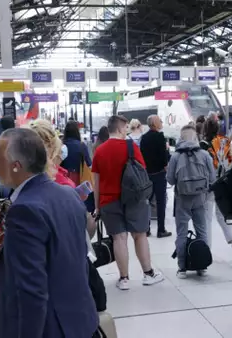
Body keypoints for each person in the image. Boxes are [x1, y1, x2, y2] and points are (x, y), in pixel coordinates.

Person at [0, 128, 98, 337]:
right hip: (80, 322)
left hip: (50, 328)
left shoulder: (23, 211)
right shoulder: (69, 194)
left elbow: (32, 292)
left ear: (16, 166)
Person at [92, 115, 164, 290]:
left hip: (109, 200)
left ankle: (124, 279)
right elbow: (142, 172)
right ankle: (148, 274)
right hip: (134, 199)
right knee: (139, 235)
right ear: (118, 129)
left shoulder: (99, 151)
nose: (126, 132)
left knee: (119, 238)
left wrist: (97, 206)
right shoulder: (131, 146)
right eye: (125, 129)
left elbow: (96, 182)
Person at [167, 125, 215, 278]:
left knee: (181, 233)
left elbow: (170, 180)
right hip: (200, 198)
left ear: (181, 138)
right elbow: (213, 178)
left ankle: (182, 268)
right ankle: (202, 266)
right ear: (196, 138)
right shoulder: (205, 154)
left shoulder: (175, 156)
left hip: (182, 200)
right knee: (202, 231)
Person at [200, 118, 232, 253]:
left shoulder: (203, 145)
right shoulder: (225, 142)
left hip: (209, 183)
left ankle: (207, 248)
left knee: (207, 217)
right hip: (223, 182)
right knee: (222, 214)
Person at [139, 115, 172, 238]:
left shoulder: (144, 138)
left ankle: (146, 228)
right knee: (160, 202)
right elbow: (164, 157)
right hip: (159, 174)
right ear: (155, 123)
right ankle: (161, 229)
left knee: (147, 201)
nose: (161, 122)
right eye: (160, 121)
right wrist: (165, 166)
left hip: (147, 174)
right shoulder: (160, 137)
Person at [61, 120, 92, 186]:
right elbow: (89, 164)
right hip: (78, 178)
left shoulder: (61, 145)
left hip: (63, 178)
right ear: (77, 132)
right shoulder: (82, 145)